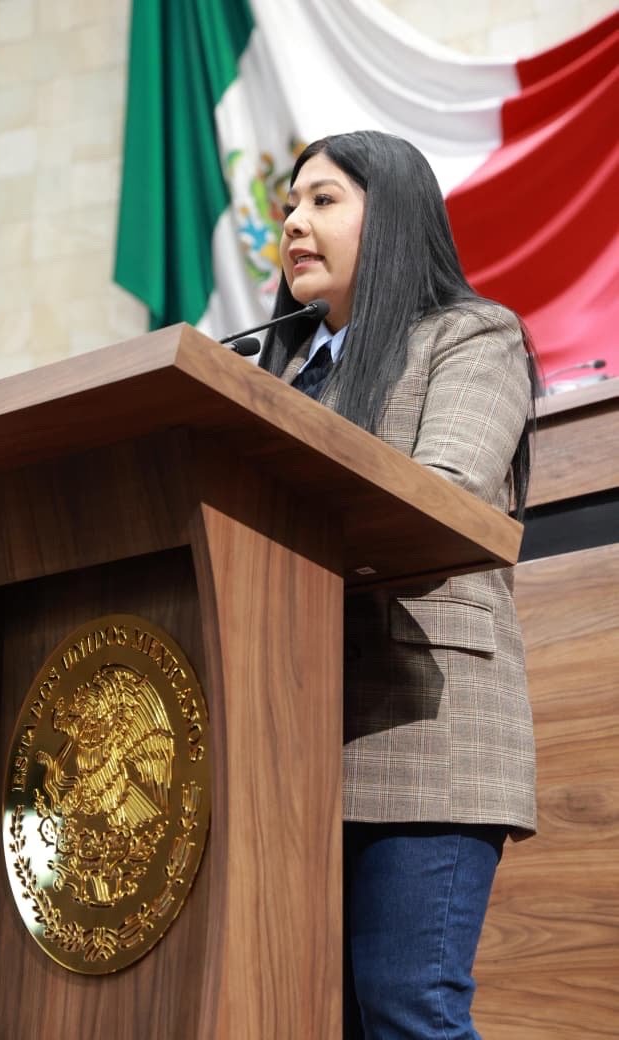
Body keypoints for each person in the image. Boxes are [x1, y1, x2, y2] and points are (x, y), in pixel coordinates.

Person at [258, 131, 537, 1040]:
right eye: (290, 208)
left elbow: (447, 498)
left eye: (323, 201)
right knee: (314, 1017)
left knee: (406, 1005)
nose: (294, 224)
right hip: (292, 738)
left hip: (425, 725)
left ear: (394, 216)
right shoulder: (274, 371)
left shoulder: (471, 335)